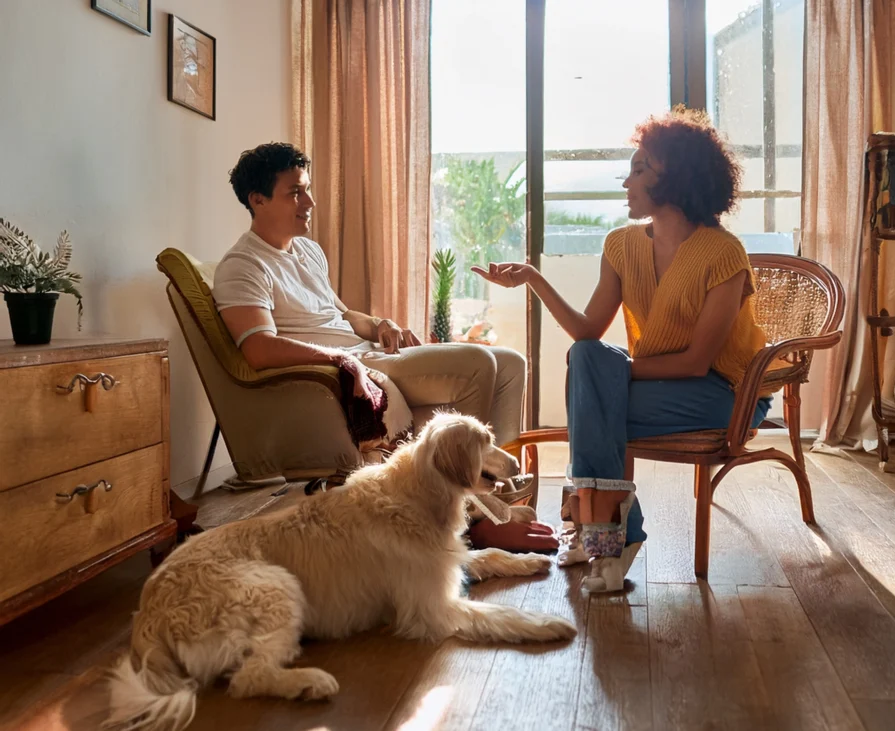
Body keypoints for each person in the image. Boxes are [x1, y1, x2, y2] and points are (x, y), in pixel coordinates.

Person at [473, 107, 772, 591]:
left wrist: (617, 374)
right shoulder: (621, 245)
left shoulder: (723, 254)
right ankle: (611, 538)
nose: (626, 181)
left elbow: (698, 361)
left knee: (592, 389)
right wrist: (533, 279)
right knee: (589, 362)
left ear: (674, 179)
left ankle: (597, 531)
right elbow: (589, 330)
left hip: (725, 393)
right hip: (658, 386)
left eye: (639, 169)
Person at [213, 142, 557, 551]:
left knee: (511, 363)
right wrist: (339, 357)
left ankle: (493, 495)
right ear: (258, 199)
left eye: (306, 189)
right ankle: (469, 516)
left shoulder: (306, 251)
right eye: (295, 192)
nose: (310, 201)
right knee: (479, 361)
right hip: (348, 365)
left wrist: (379, 324)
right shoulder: (243, 266)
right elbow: (259, 348)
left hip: (367, 349)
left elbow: (341, 314)